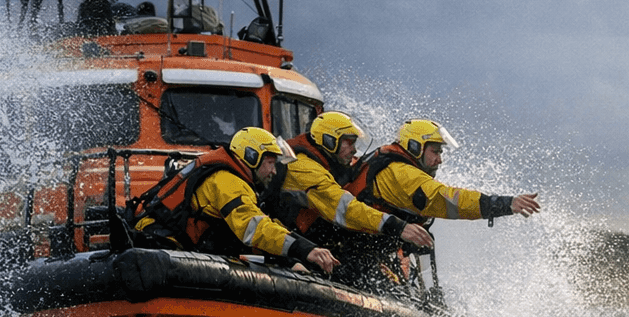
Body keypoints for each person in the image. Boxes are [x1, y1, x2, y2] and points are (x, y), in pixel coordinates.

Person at [339, 119, 539, 283]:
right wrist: (505, 204)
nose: (440, 160)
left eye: (440, 153)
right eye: (435, 151)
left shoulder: (400, 168)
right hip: (351, 251)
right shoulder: (401, 175)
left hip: (367, 249)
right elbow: (447, 200)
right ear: (415, 147)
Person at [131, 126, 338, 275]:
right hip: (164, 248)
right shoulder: (226, 182)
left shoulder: (234, 179)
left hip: (180, 248)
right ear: (251, 157)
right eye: (270, 162)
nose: (274, 171)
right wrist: (305, 249)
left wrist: (289, 259)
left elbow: (254, 229)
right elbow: (254, 229)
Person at [273, 110, 432, 250]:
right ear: (329, 141)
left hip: (312, 236)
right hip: (288, 239)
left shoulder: (333, 162)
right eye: (349, 142)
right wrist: (396, 226)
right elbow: (344, 208)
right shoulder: (303, 168)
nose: (354, 149)